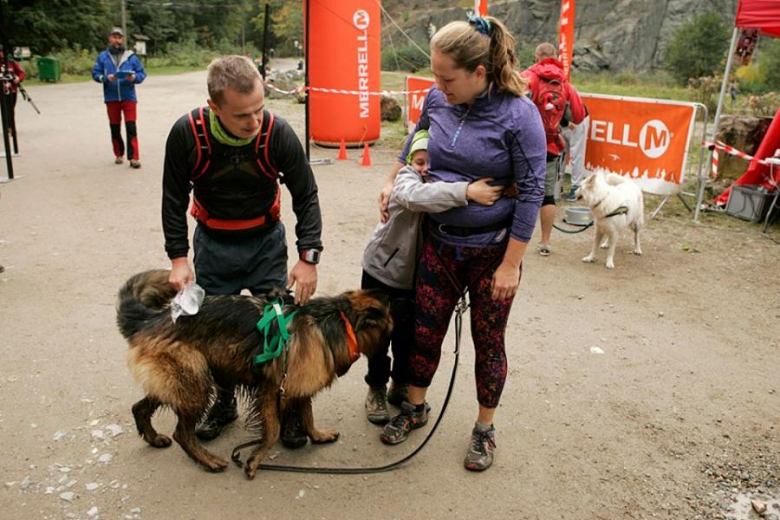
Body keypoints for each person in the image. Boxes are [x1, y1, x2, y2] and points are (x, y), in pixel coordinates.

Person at [378, 16, 546, 471]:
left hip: (492, 253)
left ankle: (484, 430)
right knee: (423, 330)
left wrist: (511, 264)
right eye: (434, 74)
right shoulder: (438, 97)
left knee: (487, 341)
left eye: (447, 77)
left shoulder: (519, 116)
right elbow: (418, 131)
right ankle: (415, 408)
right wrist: (395, 175)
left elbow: (532, 192)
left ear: (479, 72)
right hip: (438, 244)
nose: (438, 85)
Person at [161, 55, 323, 447]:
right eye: (242, 116)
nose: (254, 123)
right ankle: (224, 403)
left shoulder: (276, 132)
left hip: (265, 243)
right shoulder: (188, 134)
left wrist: (307, 258)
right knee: (216, 334)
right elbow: (172, 199)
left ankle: (283, 409)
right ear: (214, 106)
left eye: (259, 109)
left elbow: (306, 195)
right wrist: (179, 259)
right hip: (214, 245)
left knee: (277, 328)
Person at [362, 130, 503, 425]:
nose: (426, 168)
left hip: (418, 278)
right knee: (377, 336)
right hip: (383, 271)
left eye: (431, 162)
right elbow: (417, 198)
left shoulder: (442, 184)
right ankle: (375, 386)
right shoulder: (406, 181)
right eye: (420, 161)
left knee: (409, 337)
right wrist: (467, 191)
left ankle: (398, 385)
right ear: (411, 161)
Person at [521, 42, 586, 256]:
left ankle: (512, 239)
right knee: (547, 196)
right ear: (555, 57)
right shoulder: (565, 83)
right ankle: (545, 242)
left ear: (537, 55)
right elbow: (578, 115)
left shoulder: (527, 76)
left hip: (522, 144)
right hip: (550, 145)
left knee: (514, 190)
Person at [91, 27, 147, 169]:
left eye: (119, 37)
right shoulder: (103, 56)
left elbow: (142, 74)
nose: (117, 40)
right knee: (115, 128)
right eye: (114, 37)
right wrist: (105, 78)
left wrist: (133, 77)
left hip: (129, 96)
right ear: (109, 38)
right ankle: (118, 154)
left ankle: (134, 158)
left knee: (131, 127)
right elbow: (95, 74)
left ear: (122, 39)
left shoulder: (131, 57)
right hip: (111, 97)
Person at [562, 105, 590, 201]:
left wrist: (568, 119)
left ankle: (577, 188)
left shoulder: (565, 91)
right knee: (558, 155)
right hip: (560, 121)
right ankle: (557, 186)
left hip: (576, 120)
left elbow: (569, 100)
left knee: (576, 155)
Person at [0, 45, 25, 140]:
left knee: (11, 109)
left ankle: (10, 126)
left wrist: (18, 78)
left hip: (12, 90)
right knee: (5, 109)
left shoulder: (11, 62)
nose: (1, 54)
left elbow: (21, 73)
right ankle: (8, 127)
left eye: (2, 51)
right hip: (2, 90)